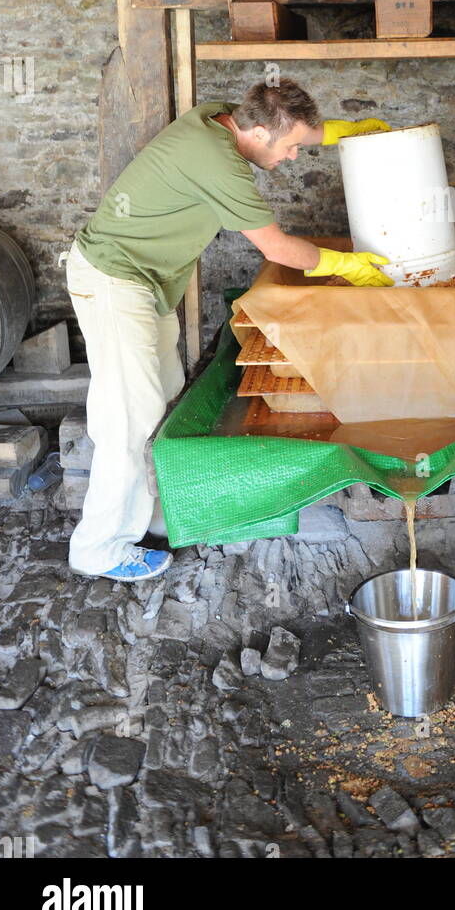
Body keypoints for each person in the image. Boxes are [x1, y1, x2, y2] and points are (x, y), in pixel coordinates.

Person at [65, 79, 392, 582]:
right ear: (258, 133)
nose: (293, 157)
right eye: (290, 149)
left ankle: (153, 516)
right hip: (115, 278)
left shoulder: (225, 117)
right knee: (130, 416)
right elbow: (279, 250)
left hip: (144, 280)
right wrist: (346, 265)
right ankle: (98, 546)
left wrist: (346, 132)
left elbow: (289, 123)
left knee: (167, 399)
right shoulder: (218, 163)